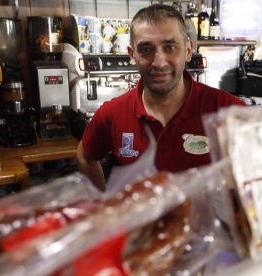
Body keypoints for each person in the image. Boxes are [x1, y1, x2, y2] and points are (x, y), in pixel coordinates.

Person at [76, 4, 245, 191]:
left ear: (188, 50)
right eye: (146, 50)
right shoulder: (112, 113)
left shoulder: (228, 110)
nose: (159, 62)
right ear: (132, 55)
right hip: (143, 220)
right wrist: (104, 208)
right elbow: (85, 157)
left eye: (170, 47)